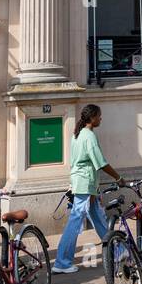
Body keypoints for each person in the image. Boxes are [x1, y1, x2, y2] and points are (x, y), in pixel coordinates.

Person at [53, 104, 122, 274]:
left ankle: (119, 252)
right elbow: (101, 162)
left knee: (98, 217)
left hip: (83, 182)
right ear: (92, 118)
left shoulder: (78, 135)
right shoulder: (89, 136)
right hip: (85, 183)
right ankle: (62, 262)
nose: (101, 118)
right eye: (99, 116)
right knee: (75, 221)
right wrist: (118, 178)